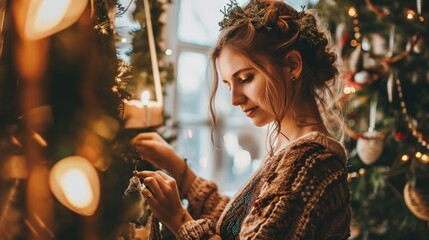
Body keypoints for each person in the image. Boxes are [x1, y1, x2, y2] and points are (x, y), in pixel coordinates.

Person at [132, 0, 351, 239]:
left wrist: (179, 219)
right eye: (228, 85)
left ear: (292, 65)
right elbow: (240, 226)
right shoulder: (289, 149)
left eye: (246, 79)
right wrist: (178, 169)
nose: (235, 99)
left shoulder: (310, 164)